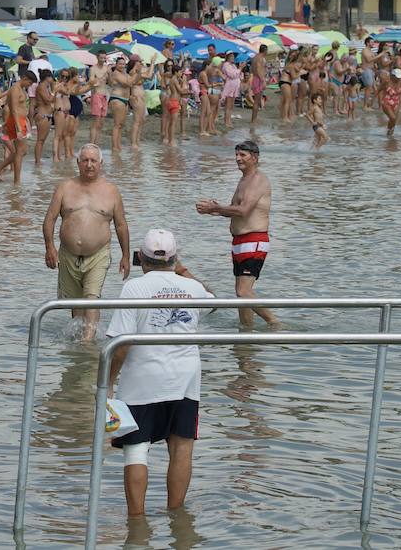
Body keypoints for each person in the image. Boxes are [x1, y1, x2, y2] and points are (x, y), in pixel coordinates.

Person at [106, 229, 216, 514]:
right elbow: (214, 301)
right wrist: (183, 272)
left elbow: (121, 343)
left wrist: (107, 381)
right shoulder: (191, 288)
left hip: (140, 379)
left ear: (141, 258)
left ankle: (137, 523)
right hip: (185, 378)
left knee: (135, 449)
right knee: (182, 446)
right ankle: (176, 516)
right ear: (175, 258)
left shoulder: (133, 288)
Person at [41, 143, 130, 339]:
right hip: (68, 254)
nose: (89, 165)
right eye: (85, 160)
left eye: (93, 161)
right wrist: (50, 247)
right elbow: (50, 219)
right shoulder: (65, 188)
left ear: (101, 163)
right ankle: (79, 344)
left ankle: (87, 346)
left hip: (98, 254)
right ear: (78, 162)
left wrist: (126, 256)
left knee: (91, 297)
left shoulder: (111, 191)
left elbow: (121, 225)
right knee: (75, 304)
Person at [196, 140, 278, 328]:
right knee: (241, 293)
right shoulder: (244, 180)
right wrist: (212, 210)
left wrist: (217, 207)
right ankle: (246, 332)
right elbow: (234, 209)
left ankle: (274, 323)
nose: (237, 159)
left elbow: (244, 211)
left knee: (243, 292)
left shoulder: (258, 180)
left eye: (242, 155)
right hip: (240, 242)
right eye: (236, 155)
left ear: (254, 158)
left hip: (254, 240)